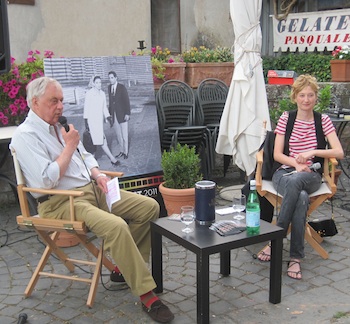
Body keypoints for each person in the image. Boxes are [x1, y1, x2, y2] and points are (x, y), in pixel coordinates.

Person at [10, 77, 174, 323]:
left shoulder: (59, 126)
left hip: (91, 190)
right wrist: (69, 147)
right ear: (35, 102)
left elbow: (85, 155)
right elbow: (46, 180)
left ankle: (122, 271)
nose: (60, 107)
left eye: (62, 101)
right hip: (62, 202)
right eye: (53, 101)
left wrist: (97, 173)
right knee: (116, 226)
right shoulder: (25, 136)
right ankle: (146, 294)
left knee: (149, 207)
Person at [257, 74, 343, 280]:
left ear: (316, 97)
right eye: (302, 95)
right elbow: (277, 155)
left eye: (311, 95)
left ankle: (274, 241)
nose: (306, 99)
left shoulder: (323, 121)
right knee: (301, 197)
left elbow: (338, 152)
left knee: (299, 183)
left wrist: (315, 151)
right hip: (284, 173)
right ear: (295, 97)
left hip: (311, 175)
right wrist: (295, 163)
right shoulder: (287, 118)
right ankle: (295, 258)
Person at [83, 75, 119, 166]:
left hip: (99, 121)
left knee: (99, 140)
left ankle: (92, 162)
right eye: (97, 83)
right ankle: (111, 159)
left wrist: (108, 117)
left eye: (100, 82)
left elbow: (104, 108)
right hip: (91, 121)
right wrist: (86, 122)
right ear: (93, 84)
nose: (99, 84)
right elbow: (86, 108)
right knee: (96, 141)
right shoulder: (89, 93)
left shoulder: (102, 93)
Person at [108, 71, 130, 159]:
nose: (110, 80)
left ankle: (126, 152)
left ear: (116, 78)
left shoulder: (122, 87)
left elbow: (126, 101)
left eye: (112, 77)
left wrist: (127, 113)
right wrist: (109, 115)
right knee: (118, 135)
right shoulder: (109, 87)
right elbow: (110, 102)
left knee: (124, 135)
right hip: (114, 115)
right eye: (109, 78)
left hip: (123, 114)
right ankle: (121, 151)